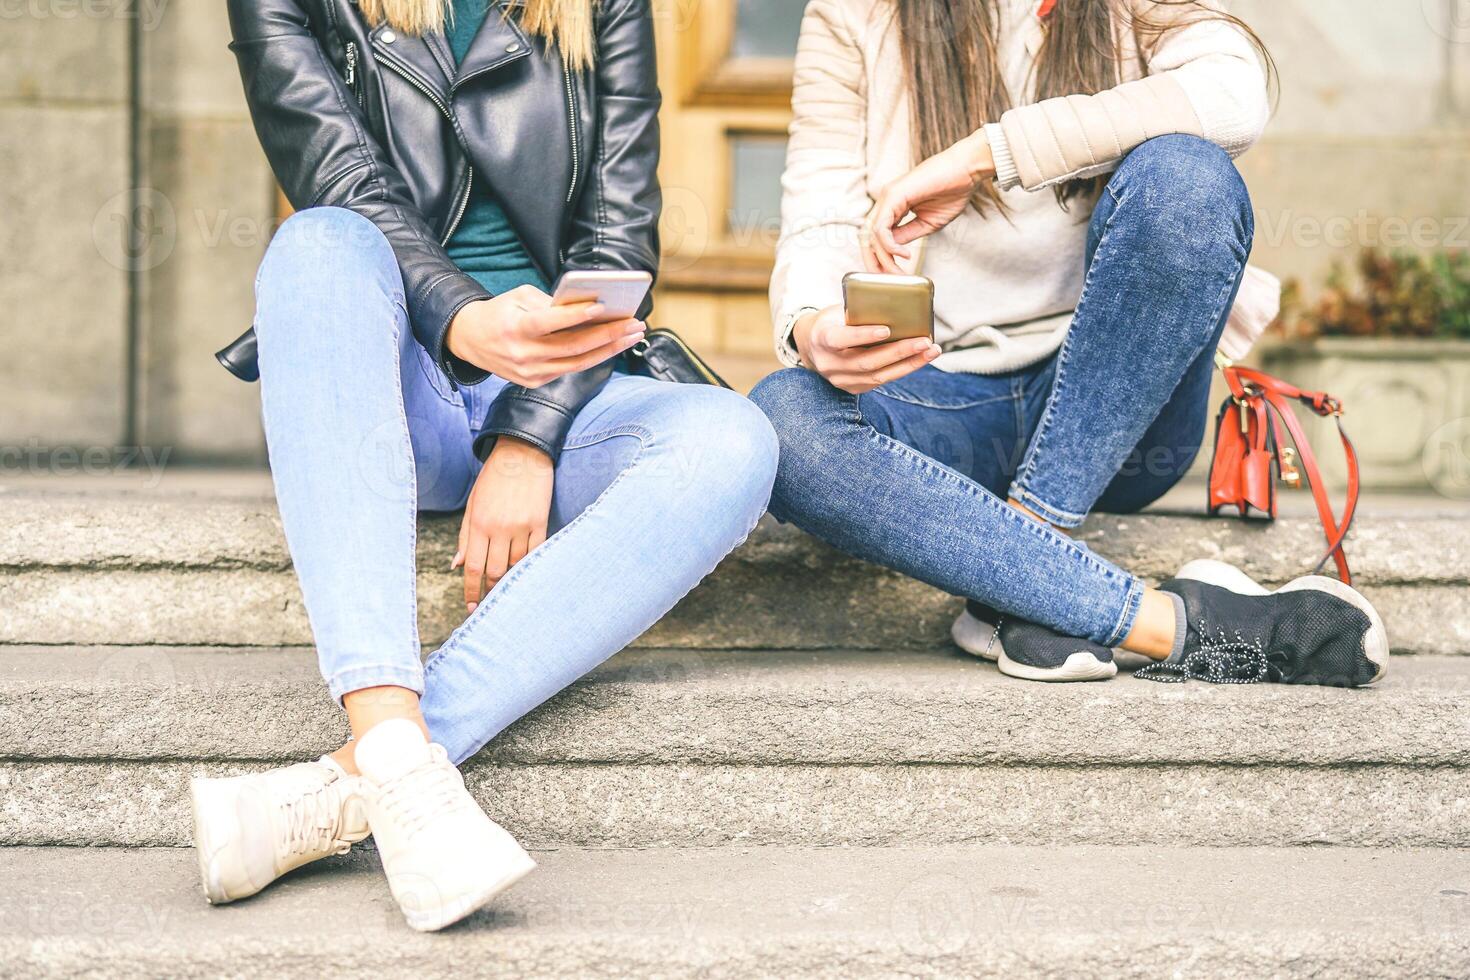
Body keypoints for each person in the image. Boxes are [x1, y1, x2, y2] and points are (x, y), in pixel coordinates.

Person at [190, 0, 778, 931]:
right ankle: (388, 728)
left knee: (734, 441)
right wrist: (465, 317)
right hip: (393, 391)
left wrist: (528, 433)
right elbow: (339, 179)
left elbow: (617, 241)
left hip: (564, 393)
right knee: (318, 242)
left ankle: (367, 776)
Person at [751, 0, 1388, 685]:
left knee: (1188, 182)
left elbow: (1232, 96)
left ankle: (1029, 548)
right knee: (779, 424)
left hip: (1120, 417)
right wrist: (813, 323)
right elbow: (818, 213)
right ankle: (1174, 623)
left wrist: (985, 155)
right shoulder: (854, 12)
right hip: (945, 404)